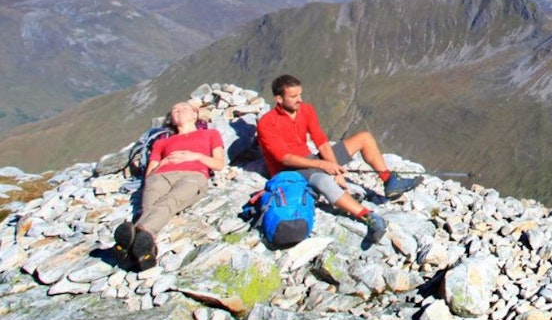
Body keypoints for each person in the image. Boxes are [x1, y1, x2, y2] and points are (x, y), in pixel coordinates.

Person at [255, 74, 420, 246]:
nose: (299, 100)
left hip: (311, 161)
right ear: (279, 99)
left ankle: (390, 181)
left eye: (300, 95)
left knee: (364, 138)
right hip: (289, 172)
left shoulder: (306, 110)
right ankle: (369, 217)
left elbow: (321, 141)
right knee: (324, 180)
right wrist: (323, 166)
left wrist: (334, 167)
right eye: (294, 96)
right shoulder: (267, 123)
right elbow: (285, 158)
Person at [114, 101, 227, 270]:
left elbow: (218, 164)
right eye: (175, 109)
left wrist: (194, 156)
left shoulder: (211, 134)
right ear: (171, 120)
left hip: (193, 175)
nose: (180, 110)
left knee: (170, 201)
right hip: (160, 176)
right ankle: (146, 251)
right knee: (149, 206)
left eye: (184, 108)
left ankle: (129, 244)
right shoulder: (161, 143)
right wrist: (162, 163)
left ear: (196, 115)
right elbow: (149, 174)